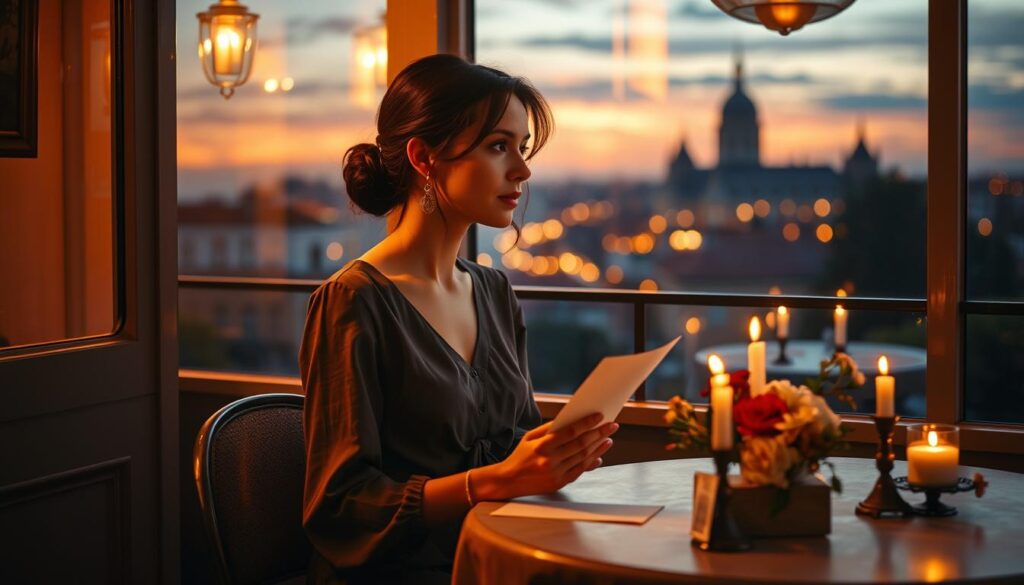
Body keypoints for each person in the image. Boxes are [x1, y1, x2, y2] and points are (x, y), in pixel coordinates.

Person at [298, 54, 619, 584]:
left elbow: (517, 444)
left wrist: (556, 454)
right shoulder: (353, 302)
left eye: (522, 148)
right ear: (424, 157)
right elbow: (341, 504)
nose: (522, 169)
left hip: (493, 558)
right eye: (498, 147)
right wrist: (489, 482)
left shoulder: (493, 291)